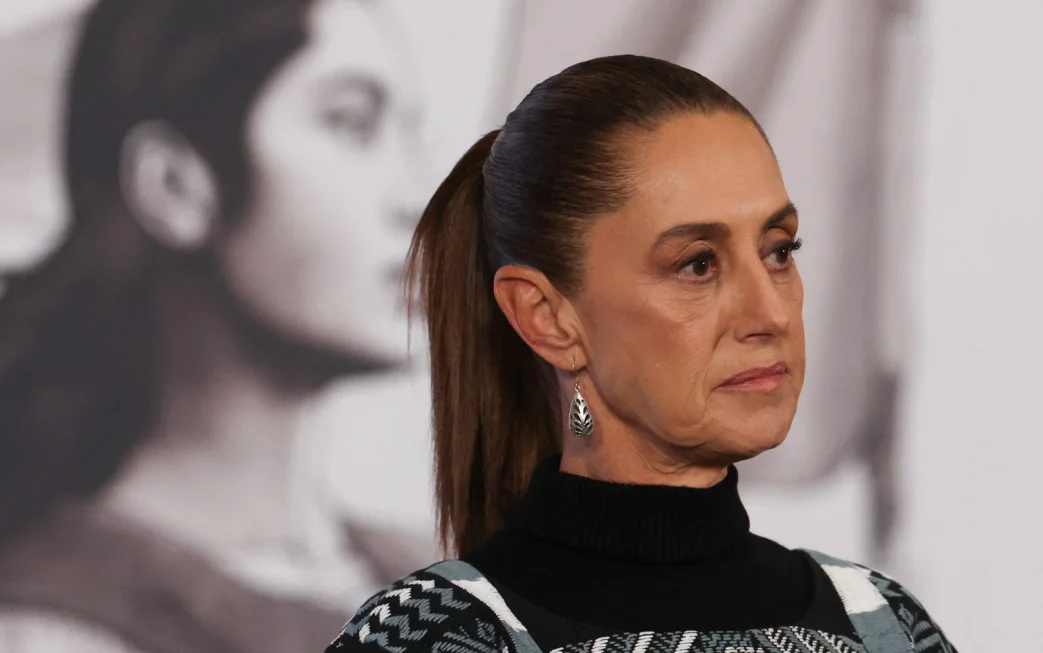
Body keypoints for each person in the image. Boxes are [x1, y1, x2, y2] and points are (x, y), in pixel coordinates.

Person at [0, 0, 426, 652]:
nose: (418, 197)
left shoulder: (435, 578)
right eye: (350, 124)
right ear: (174, 186)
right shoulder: (48, 627)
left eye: (408, 134)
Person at [327, 55, 956, 653]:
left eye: (779, 251)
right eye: (698, 264)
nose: (770, 313)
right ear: (548, 318)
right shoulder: (427, 638)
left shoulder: (886, 624)